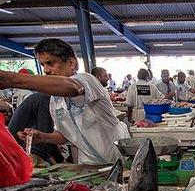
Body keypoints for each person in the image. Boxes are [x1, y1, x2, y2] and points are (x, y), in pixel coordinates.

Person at [0, 38, 130, 165]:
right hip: (89, 164)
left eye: (50, 63)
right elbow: (66, 135)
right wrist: (42, 137)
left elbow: (73, 88)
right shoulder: (55, 100)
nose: (45, 70)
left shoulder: (87, 80)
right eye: (43, 65)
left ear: (71, 63)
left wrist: (11, 79)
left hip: (117, 159)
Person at [8, 93, 64, 165]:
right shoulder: (45, 99)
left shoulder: (37, 98)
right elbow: (46, 138)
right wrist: (60, 160)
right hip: (23, 150)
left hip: (19, 148)